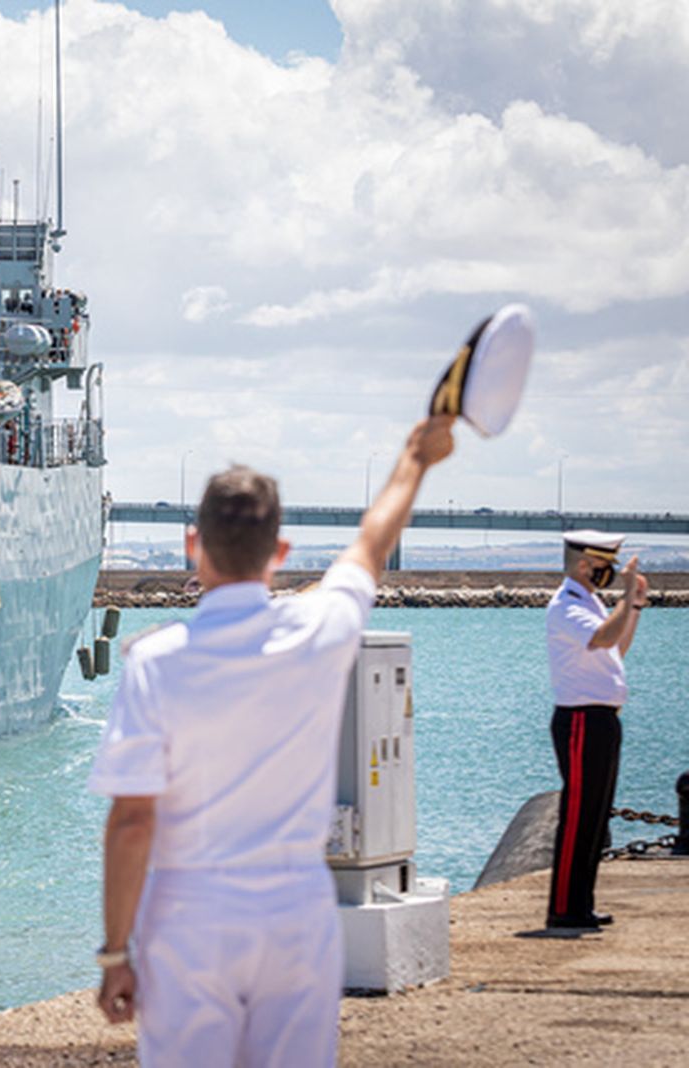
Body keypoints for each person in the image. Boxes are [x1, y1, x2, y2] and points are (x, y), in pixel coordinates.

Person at [90, 415, 456, 1067]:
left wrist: (117, 952)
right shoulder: (317, 631)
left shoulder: (157, 661)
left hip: (191, 911)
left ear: (192, 545)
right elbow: (372, 545)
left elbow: (133, 821)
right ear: (280, 551)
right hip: (296, 909)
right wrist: (414, 458)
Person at [544, 530, 648, 930]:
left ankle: (581, 904)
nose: (609, 573)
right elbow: (603, 637)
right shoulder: (566, 605)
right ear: (585, 564)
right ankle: (564, 908)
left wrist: (633, 606)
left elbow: (615, 647)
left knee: (596, 815)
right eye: (605, 565)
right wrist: (626, 594)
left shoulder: (589, 602)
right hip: (580, 720)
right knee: (578, 816)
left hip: (601, 719)